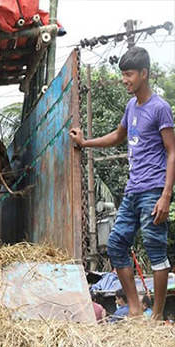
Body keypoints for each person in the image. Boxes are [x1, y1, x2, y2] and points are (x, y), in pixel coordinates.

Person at [69, 46, 175, 320]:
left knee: (155, 251)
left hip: (153, 190)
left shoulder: (160, 108)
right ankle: (136, 309)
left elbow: (172, 151)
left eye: (129, 75)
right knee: (116, 244)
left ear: (144, 74)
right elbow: (118, 136)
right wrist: (85, 143)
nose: (125, 80)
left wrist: (166, 196)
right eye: (123, 75)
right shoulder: (131, 106)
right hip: (132, 191)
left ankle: (157, 316)